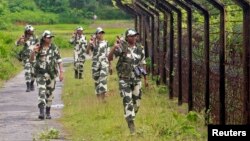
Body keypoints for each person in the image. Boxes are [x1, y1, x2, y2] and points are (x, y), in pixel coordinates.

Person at [108, 29, 148, 134]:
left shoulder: (140, 49)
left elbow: (143, 63)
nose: (134, 38)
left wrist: (145, 78)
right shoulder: (122, 47)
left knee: (137, 104)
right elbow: (110, 57)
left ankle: (130, 116)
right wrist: (113, 48)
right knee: (128, 102)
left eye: (135, 36)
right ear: (127, 37)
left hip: (136, 79)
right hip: (124, 80)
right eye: (132, 36)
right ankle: (131, 126)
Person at [30, 30, 63, 120]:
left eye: (51, 37)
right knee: (41, 91)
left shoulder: (54, 47)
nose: (50, 39)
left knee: (50, 94)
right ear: (44, 38)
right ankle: (41, 112)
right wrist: (33, 52)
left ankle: (48, 112)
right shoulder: (38, 47)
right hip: (41, 73)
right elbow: (31, 60)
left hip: (51, 74)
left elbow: (59, 60)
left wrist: (61, 72)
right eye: (48, 37)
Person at [86, 27, 111, 102]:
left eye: (102, 33)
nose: (101, 34)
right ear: (96, 34)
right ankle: (98, 99)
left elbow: (108, 55)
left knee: (103, 80)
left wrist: (110, 65)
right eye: (99, 33)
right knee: (97, 81)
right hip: (95, 64)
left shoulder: (106, 43)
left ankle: (103, 99)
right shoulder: (93, 43)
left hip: (104, 64)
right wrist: (90, 43)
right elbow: (87, 52)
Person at [15, 25, 39, 92]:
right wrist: (20, 39)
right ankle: (28, 86)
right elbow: (17, 44)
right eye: (31, 30)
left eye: (33, 30)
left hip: (34, 56)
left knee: (33, 72)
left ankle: (32, 83)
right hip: (26, 57)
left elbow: (39, 45)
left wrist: (37, 49)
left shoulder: (35, 37)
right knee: (27, 71)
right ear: (28, 31)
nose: (32, 31)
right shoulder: (24, 37)